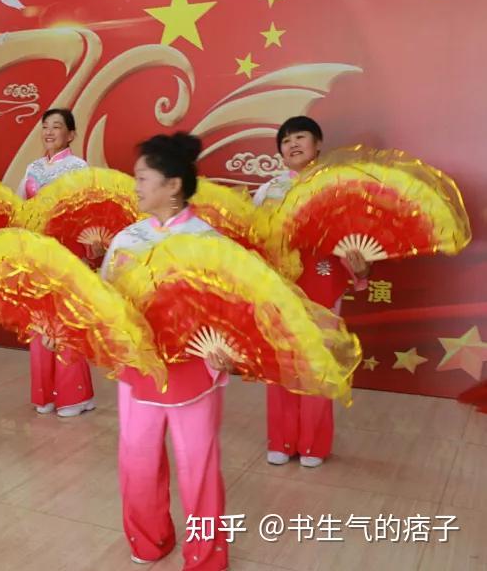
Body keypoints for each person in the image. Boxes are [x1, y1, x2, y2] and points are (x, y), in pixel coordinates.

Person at [101, 133, 231, 570]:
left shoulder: (208, 241)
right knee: (136, 459)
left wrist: (226, 349)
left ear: (173, 185)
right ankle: (147, 540)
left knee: (198, 466)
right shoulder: (126, 239)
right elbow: (106, 299)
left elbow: (234, 309)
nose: (134, 186)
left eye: (141, 177)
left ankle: (206, 554)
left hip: (194, 371)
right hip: (138, 368)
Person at [253, 116, 370, 468]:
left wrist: (361, 267)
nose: (292, 144)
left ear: (318, 144)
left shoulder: (336, 188)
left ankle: (314, 445)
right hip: (280, 287)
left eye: (300, 137)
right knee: (280, 365)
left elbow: (354, 241)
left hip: (322, 283)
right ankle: (282, 440)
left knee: (317, 365)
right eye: (285, 141)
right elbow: (254, 240)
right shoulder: (268, 190)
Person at [17, 108, 95, 418]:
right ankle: (45, 393)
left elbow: (88, 210)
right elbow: (21, 206)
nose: (49, 132)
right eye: (45, 126)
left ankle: (74, 396)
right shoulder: (33, 167)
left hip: (67, 251)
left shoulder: (79, 167)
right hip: (39, 252)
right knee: (40, 322)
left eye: (57, 127)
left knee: (66, 322)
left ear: (71, 135)